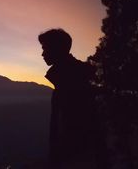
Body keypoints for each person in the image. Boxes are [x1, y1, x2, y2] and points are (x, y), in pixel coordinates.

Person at [38, 28, 97, 169]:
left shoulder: (70, 82)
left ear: (56, 49)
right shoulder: (71, 76)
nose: (42, 53)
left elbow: (71, 129)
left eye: (45, 48)